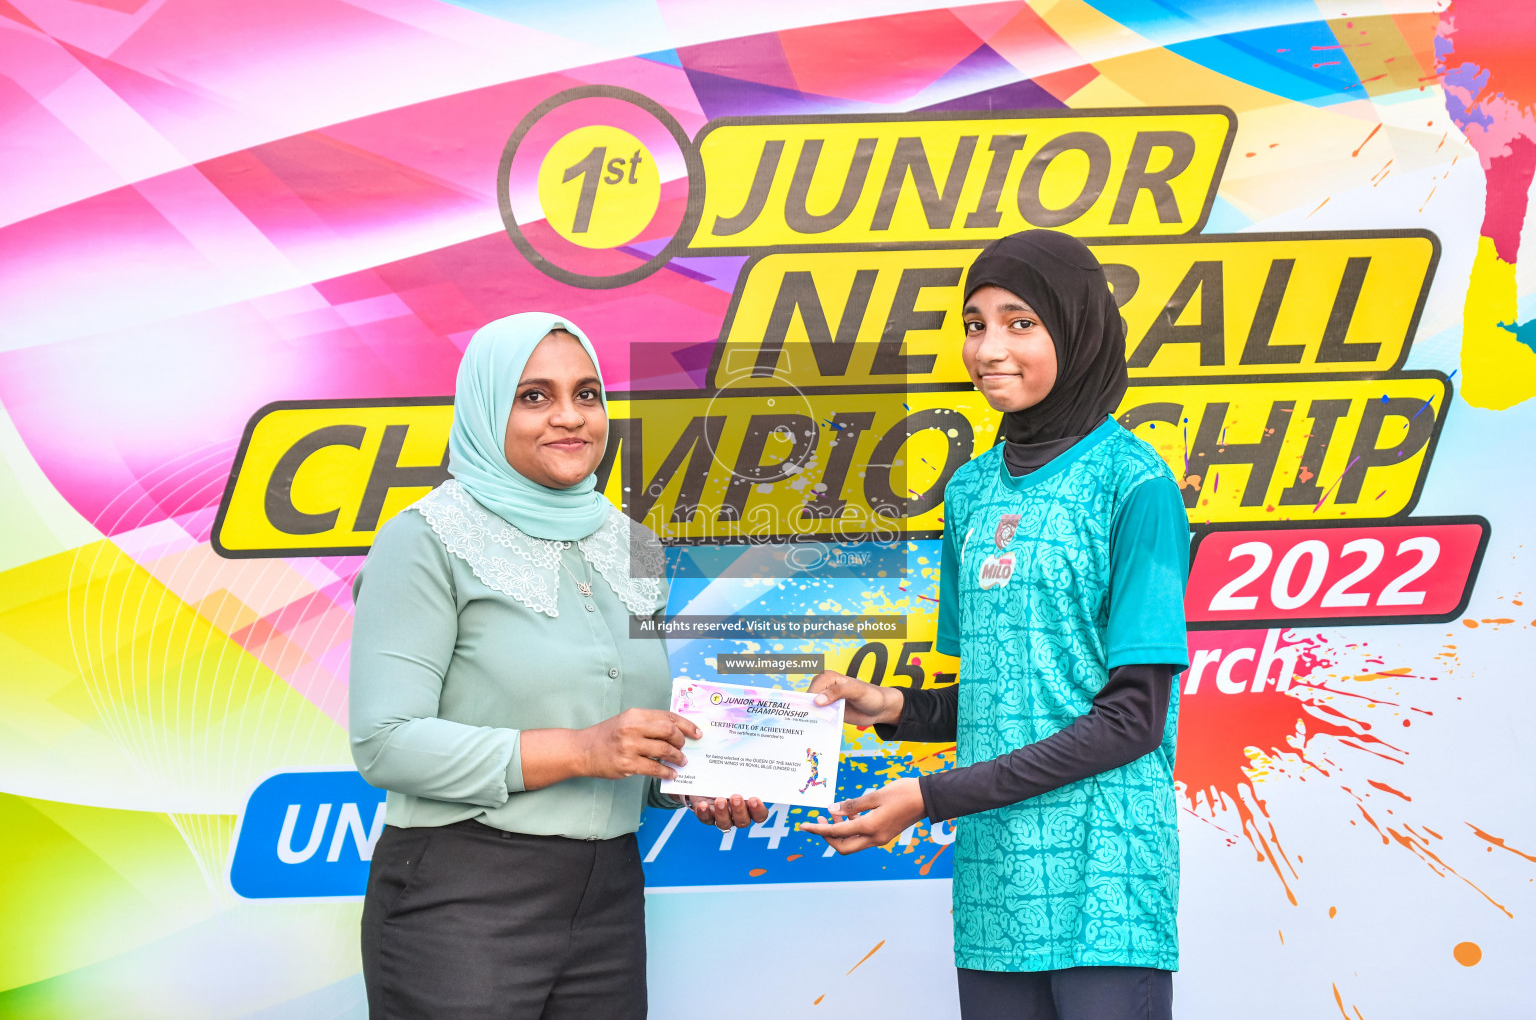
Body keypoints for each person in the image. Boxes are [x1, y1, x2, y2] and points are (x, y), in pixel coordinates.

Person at [802, 231, 1190, 1020]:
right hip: (996, 889)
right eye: (975, 324)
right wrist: (889, 708)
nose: (989, 349)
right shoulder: (972, 491)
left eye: (1020, 323)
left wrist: (930, 797)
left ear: (1075, 331)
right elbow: (992, 696)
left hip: (1103, 888)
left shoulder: (1136, 483)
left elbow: (1133, 721)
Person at [349, 312, 767, 1020]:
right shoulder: (423, 540)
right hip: (462, 896)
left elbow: (624, 740)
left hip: (607, 896)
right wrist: (579, 750)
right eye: (534, 396)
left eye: (588, 394)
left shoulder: (632, 542)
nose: (570, 418)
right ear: (486, 409)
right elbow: (384, 741)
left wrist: (691, 783)